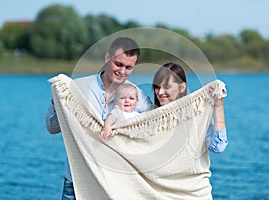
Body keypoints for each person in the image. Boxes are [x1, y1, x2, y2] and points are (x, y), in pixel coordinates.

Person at [46, 37, 153, 200]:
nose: (122, 71)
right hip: (75, 182)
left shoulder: (138, 97)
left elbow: (153, 133)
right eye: (118, 64)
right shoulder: (77, 87)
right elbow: (52, 128)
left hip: (116, 185)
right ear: (107, 58)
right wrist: (56, 102)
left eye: (129, 67)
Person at [152, 62, 228, 196]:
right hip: (160, 194)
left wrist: (218, 105)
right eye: (157, 87)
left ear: (182, 87)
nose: (160, 92)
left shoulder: (196, 114)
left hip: (193, 193)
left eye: (167, 87)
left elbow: (218, 146)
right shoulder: (149, 117)